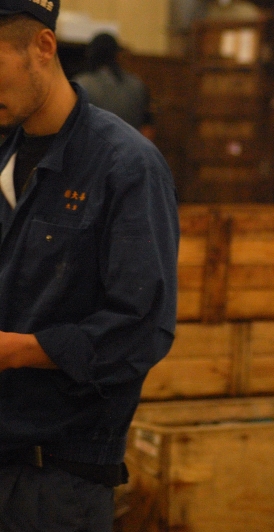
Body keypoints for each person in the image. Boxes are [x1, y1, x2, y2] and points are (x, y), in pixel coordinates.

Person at [0, 1, 179, 530]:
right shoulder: (5, 153)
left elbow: (141, 331)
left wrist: (15, 351)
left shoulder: (126, 167)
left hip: (55, 487)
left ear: (43, 47)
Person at [73, 32, 155, 140]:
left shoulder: (80, 84)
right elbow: (147, 128)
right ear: (117, 54)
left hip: (93, 152)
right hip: (130, 150)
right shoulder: (137, 84)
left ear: (91, 53)